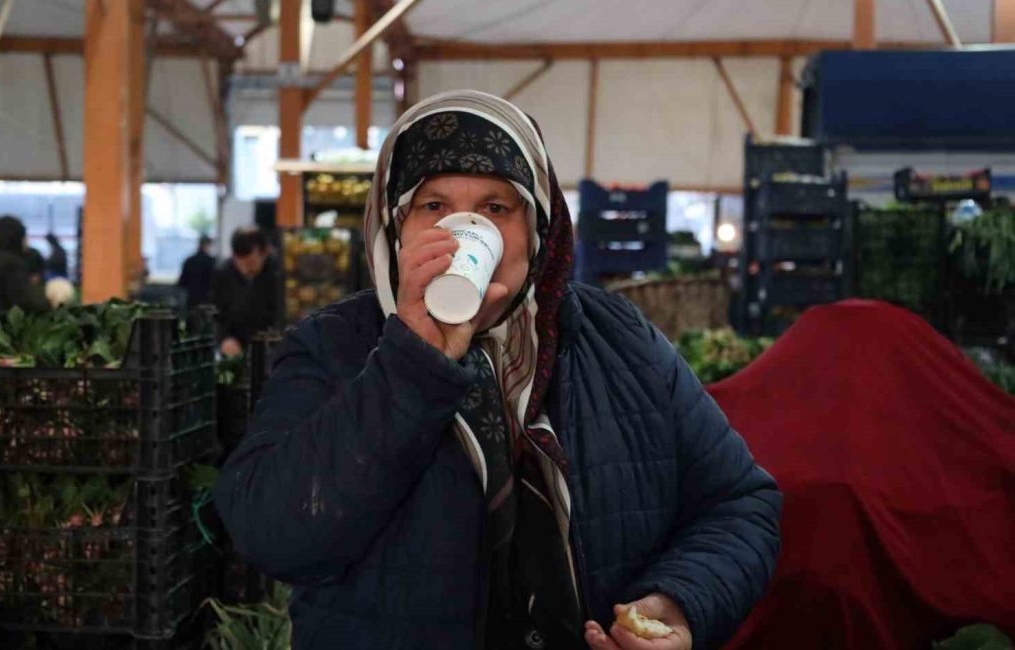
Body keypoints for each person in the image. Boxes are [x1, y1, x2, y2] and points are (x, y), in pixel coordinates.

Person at [214, 91, 781, 650]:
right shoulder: (332, 346)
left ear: (536, 229)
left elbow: (739, 504)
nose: (463, 230)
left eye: (495, 208)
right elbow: (272, 535)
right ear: (396, 229)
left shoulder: (619, 339)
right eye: (434, 206)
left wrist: (677, 603)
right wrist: (412, 362)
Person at [211, 228, 277, 357]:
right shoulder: (223, 273)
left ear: (265, 252)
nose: (245, 269)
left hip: (272, 349)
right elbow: (215, 314)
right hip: (236, 350)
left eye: (251, 262)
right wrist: (223, 338)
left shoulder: (278, 273)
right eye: (239, 263)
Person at [0, 215, 49, 318]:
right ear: (17, 237)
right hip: (0, 326)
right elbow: (23, 301)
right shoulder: (12, 262)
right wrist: (49, 303)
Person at [178, 235, 216, 309]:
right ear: (207, 245)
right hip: (207, 302)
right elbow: (215, 283)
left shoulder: (189, 261)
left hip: (192, 301)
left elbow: (182, 282)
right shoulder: (212, 262)